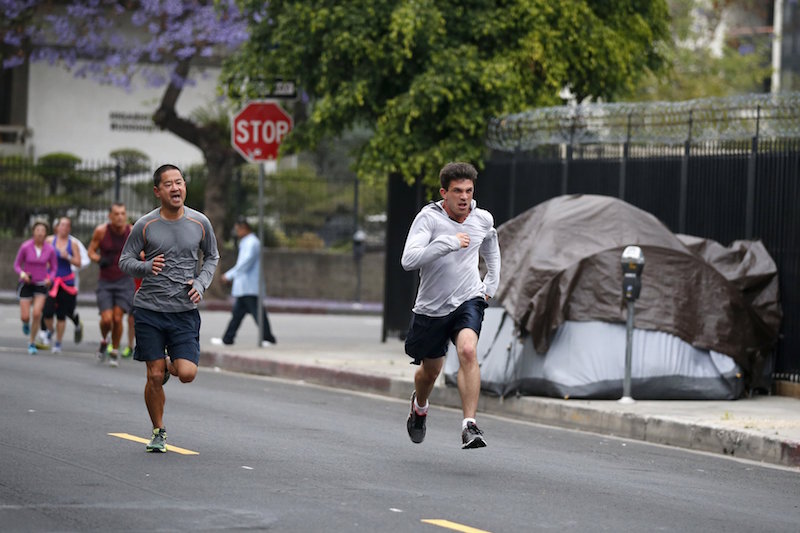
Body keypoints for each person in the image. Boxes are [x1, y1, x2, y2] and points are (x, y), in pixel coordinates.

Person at [118, 164, 219, 453]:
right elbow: (125, 261)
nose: (176, 188)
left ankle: (167, 364)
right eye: (169, 184)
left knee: (186, 373)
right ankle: (158, 431)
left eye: (179, 182)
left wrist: (200, 283)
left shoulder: (200, 222)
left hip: (184, 311)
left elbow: (212, 256)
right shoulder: (145, 225)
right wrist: (147, 267)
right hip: (149, 309)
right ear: (157, 191)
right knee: (153, 375)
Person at [400, 162, 501, 449]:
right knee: (430, 372)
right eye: (457, 191)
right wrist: (447, 242)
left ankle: (469, 425)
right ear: (444, 192)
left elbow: (491, 244)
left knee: (468, 350)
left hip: (468, 297)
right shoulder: (428, 219)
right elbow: (409, 260)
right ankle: (419, 407)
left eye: (469, 191)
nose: (464, 197)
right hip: (432, 308)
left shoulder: (481, 219)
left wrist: (490, 285)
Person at [211, 217, 277, 347]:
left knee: (258, 314)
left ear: (244, 228)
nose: (237, 233)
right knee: (238, 315)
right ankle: (228, 339)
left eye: (238, 230)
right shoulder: (246, 242)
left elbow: (245, 263)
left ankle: (267, 338)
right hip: (245, 287)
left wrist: (229, 276)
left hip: (250, 286)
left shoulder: (252, 243)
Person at [87, 203, 135, 366]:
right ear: (110, 216)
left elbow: (142, 250)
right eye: (116, 214)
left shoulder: (132, 231)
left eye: (123, 213)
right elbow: (91, 251)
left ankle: (114, 350)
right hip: (106, 281)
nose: (120, 217)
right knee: (107, 320)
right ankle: (103, 340)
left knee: (117, 317)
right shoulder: (101, 231)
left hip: (125, 280)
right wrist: (99, 259)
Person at [40, 217, 84, 354]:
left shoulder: (73, 244)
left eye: (67, 226)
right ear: (57, 227)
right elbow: (41, 257)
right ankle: (50, 331)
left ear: (69, 229)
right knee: (47, 312)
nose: (64, 228)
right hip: (51, 281)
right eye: (62, 225)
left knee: (62, 315)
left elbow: (78, 262)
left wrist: (68, 257)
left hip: (66, 282)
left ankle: (58, 343)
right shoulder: (48, 241)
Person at [14, 221, 57, 355]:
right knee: (25, 316)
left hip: (41, 285)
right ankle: (26, 323)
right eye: (37, 230)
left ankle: (32, 342)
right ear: (33, 231)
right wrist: (22, 274)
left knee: (37, 313)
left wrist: (50, 278)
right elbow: (16, 265)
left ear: (46, 233)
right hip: (27, 284)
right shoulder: (25, 246)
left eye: (42, 231)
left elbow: (54, 268)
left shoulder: (50, 249)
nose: (39, 233)